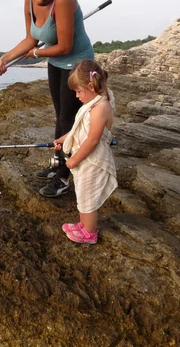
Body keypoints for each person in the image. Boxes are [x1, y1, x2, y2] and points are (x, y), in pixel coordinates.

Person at [0, 0, 95, 198]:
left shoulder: (63, 0)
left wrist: (38, 53)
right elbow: (31, 38)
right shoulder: (29, 0)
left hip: (78, 64)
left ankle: (64, 177)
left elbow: (65, 46)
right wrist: (5, 58)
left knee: (67, 119)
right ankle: (57, 164)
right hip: (56, 62)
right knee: (59, 117)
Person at [53, 59, 117, 244]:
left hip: (93, 160)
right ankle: (83, 224)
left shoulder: (101, 107)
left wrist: (73, 160)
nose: (77, 96)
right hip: (85, 159)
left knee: (88, 196)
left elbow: (92, 139)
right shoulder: (92, 104)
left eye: (79, 91)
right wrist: (61, 140)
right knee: (82, 192)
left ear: (91, 85)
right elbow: (77, 131)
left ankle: (89, 233)